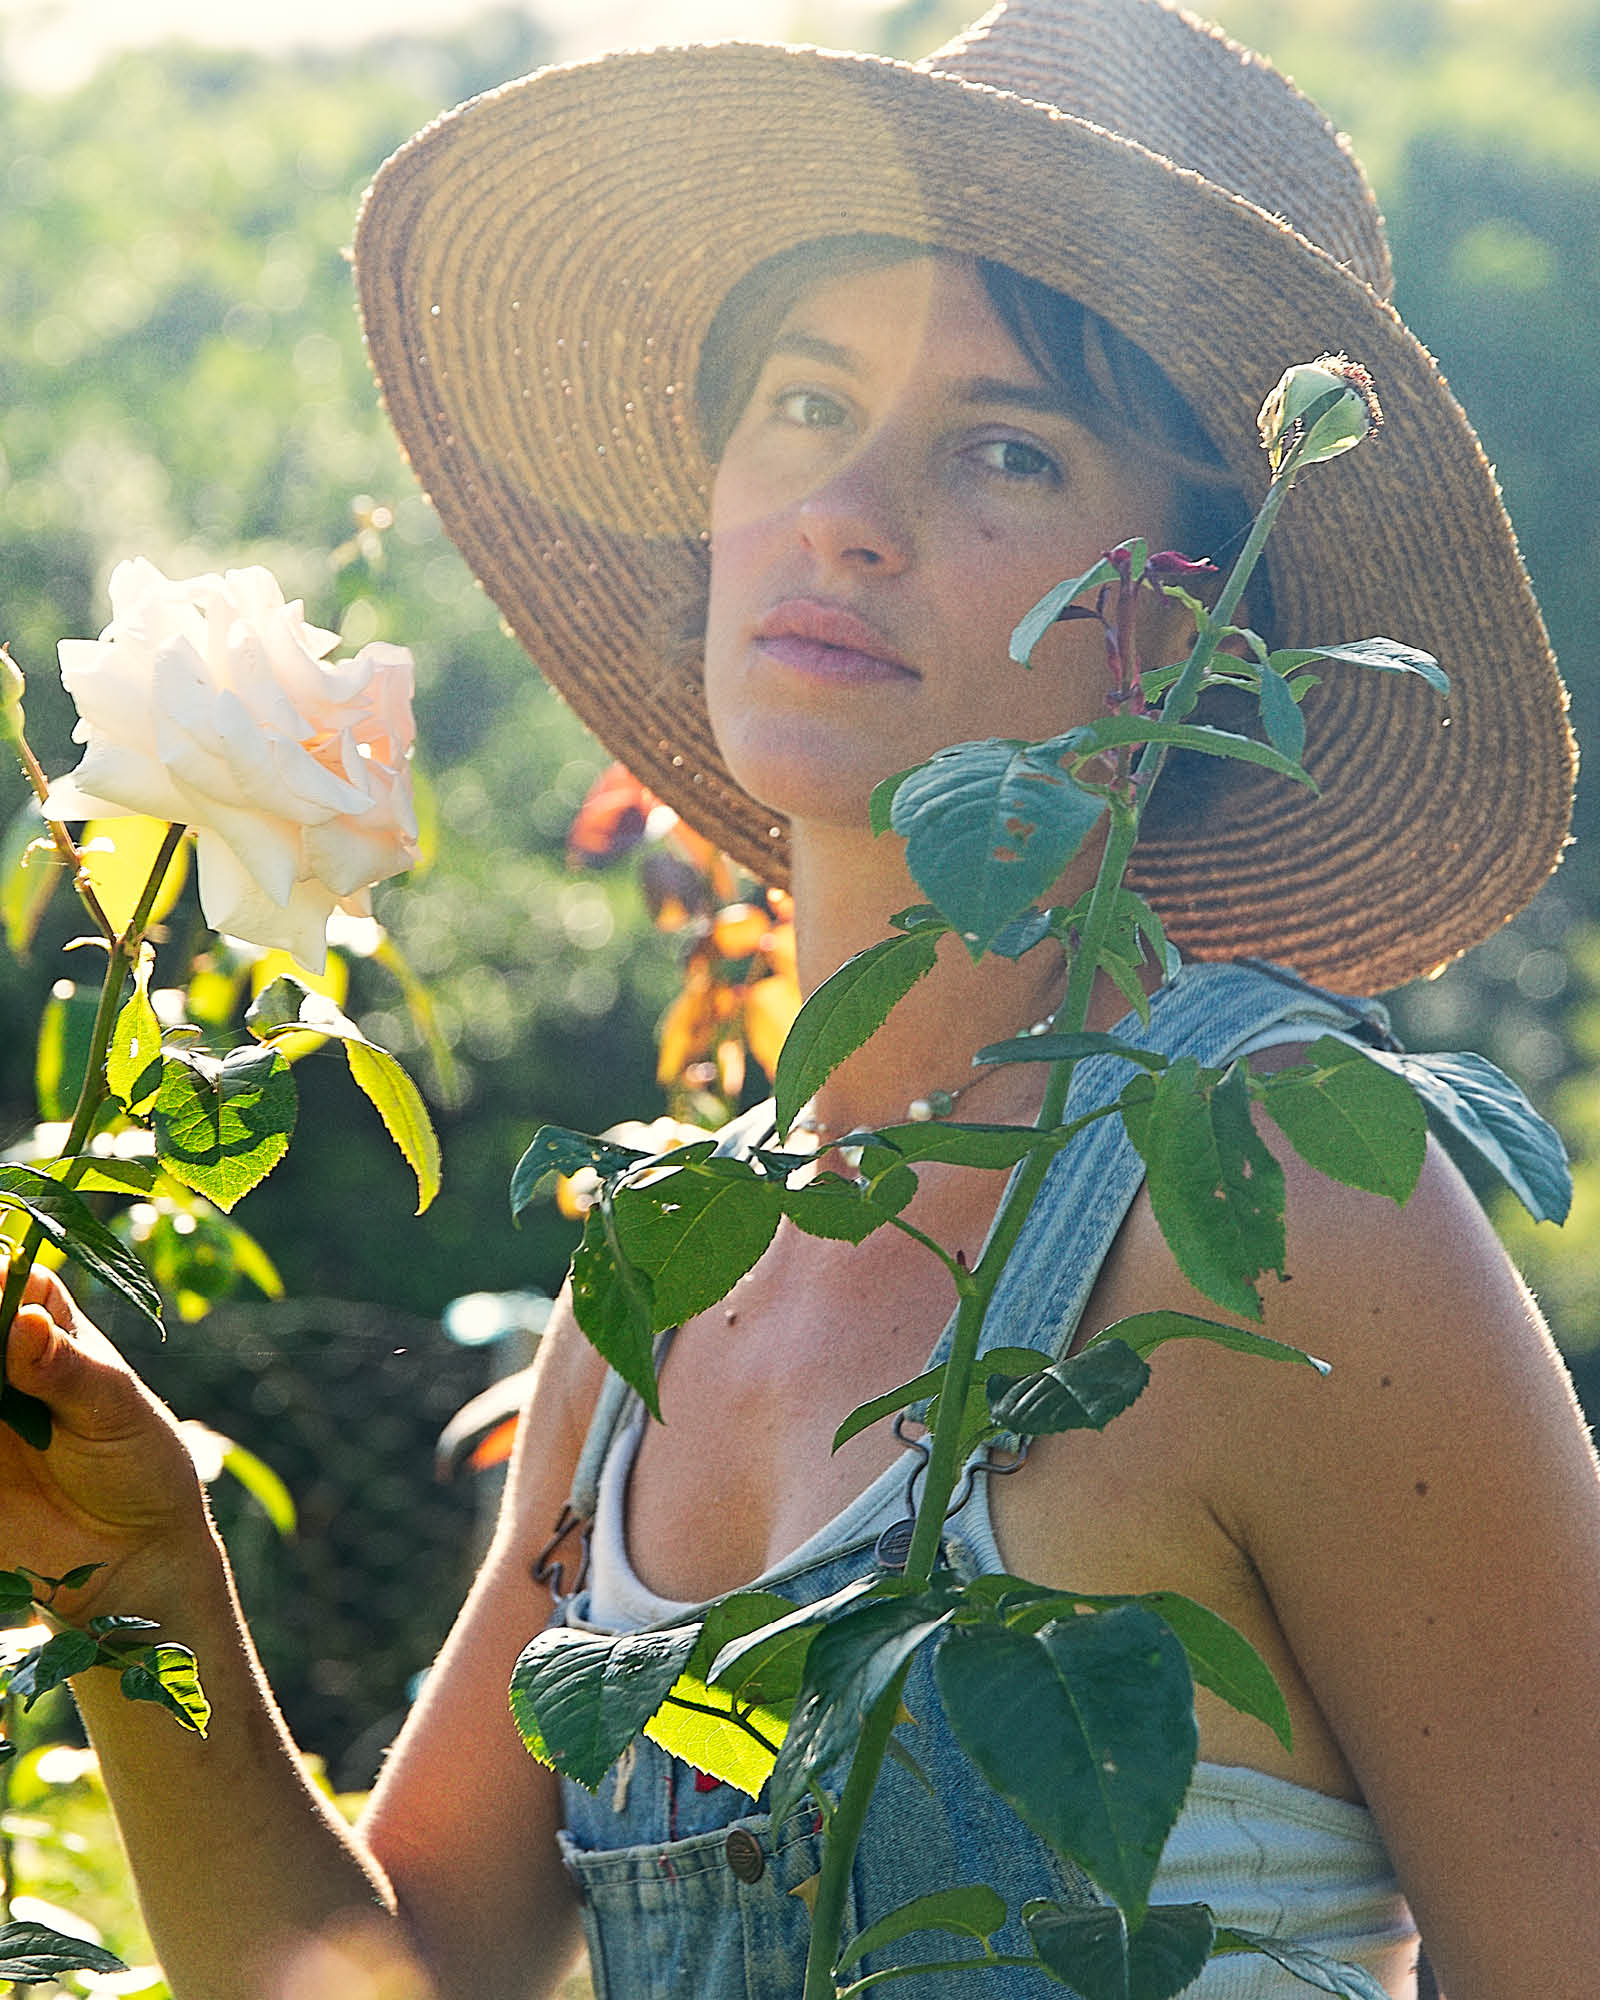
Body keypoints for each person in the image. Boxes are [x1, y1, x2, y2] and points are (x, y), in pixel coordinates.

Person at [2, 0, 1597, 1996]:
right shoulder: (663, 1265)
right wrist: (131, 1573)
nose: (847, 507)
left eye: (1002, 446)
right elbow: (385, 1970)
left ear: (1172, 628)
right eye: (803, 399)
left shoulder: (1269, 1203)